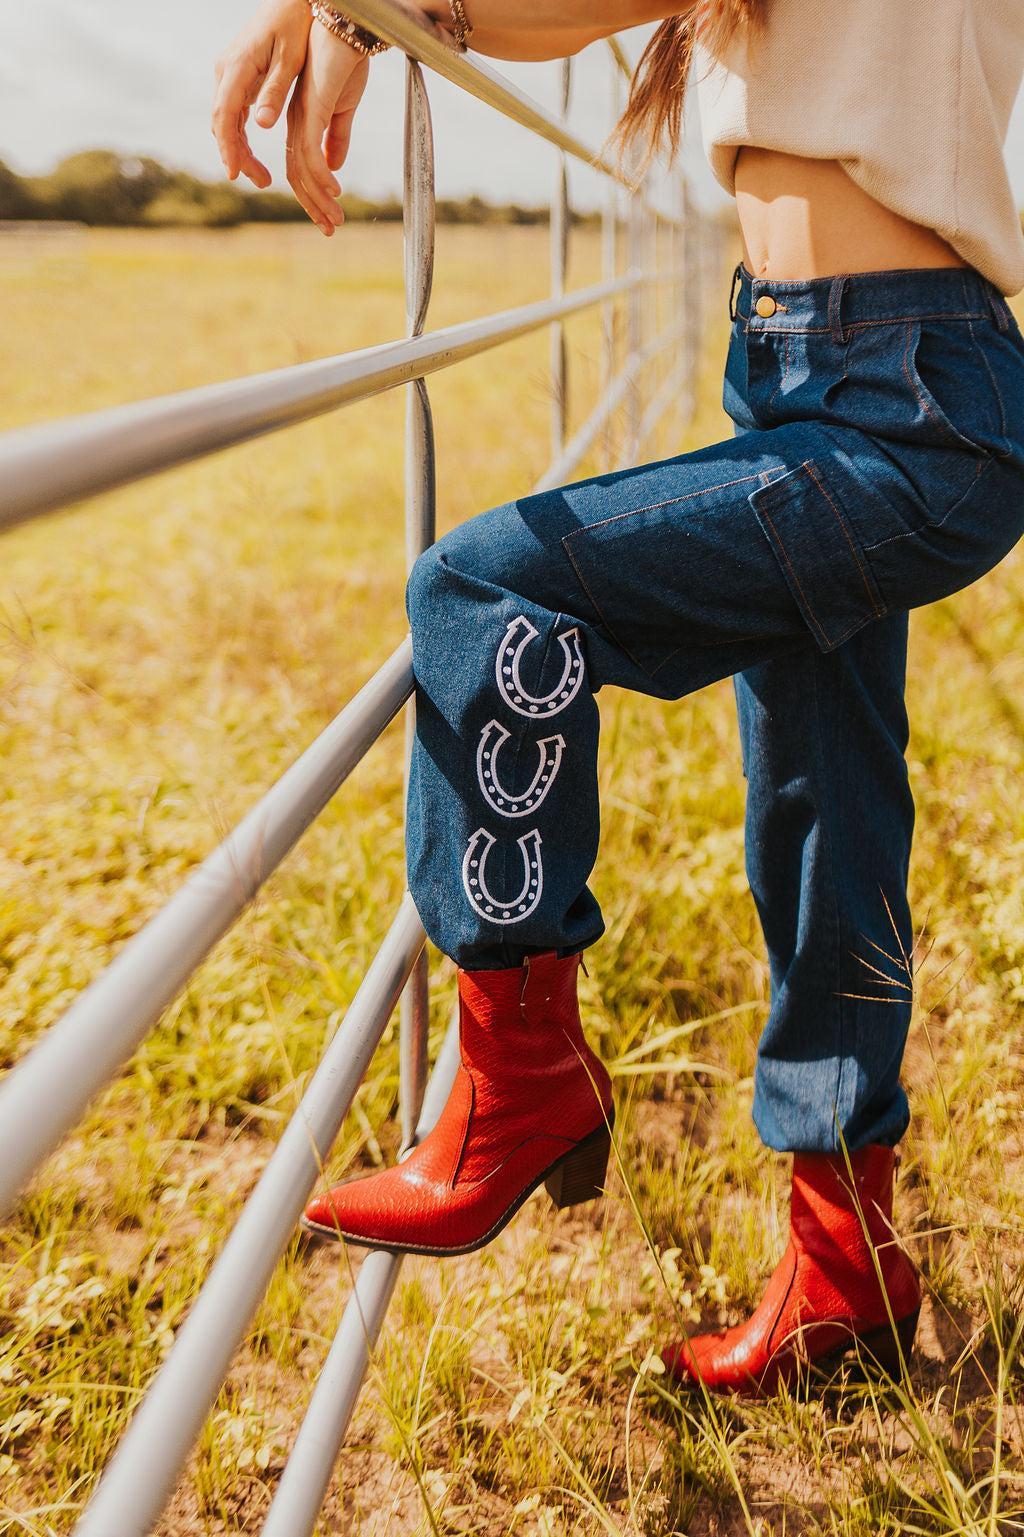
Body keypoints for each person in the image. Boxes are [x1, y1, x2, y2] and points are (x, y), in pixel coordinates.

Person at [212, 0, 1024, 1396]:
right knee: (824, 793)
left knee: (483, 589)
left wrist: (357, 10)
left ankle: (521, 1078)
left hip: (902, 395)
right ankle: (848, 1256)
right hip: (823, 367)